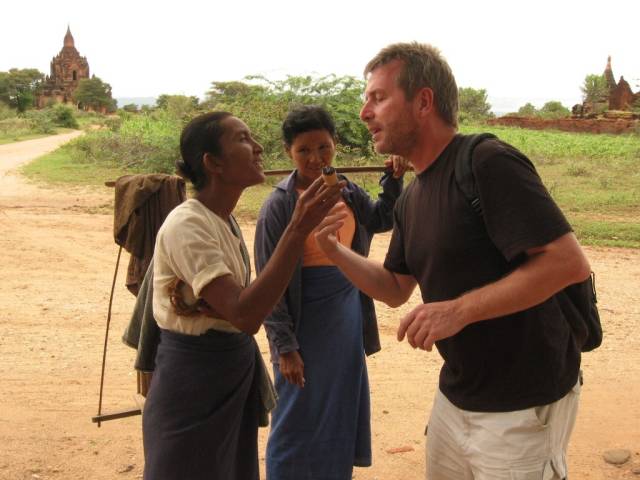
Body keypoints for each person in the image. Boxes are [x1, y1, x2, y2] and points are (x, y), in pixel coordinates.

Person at [314, 43, 592, 479]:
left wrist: (460, 310)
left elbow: (566, 262)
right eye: (366, 99)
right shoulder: (413, 196)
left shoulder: (486, 161)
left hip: (523, 404)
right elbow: (393, 287)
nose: (365, 112)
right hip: (456, 396)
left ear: (424, 101)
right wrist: (334, 249)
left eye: (378, 97)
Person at [142, 111, 345, 480]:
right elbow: (245, 314)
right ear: (213, 163)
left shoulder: (223, 220)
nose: (258, 147)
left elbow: (244, 304)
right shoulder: (188, 224)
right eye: (243, 139)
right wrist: (297, 230)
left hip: (225, 376)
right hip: (194, 384)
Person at [254, 105, 408, 479]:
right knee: (296, 415)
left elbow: (381, 218)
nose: (315, 158)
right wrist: (285, 348)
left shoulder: (347, 191)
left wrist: (393, 181)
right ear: (289, 152)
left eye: (323, 147)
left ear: (335, 144)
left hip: (345, 316)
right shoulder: (280, 204)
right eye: (304, 150)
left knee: (338, 409)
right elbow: (268, 283)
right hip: (304, 322)